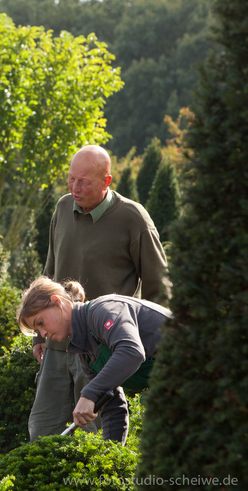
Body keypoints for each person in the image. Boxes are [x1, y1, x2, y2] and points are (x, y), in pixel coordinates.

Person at [29, 144, 171, 440]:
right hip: (57, 345)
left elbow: (159, 287)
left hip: (102, 348)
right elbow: (49, 273)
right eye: (71, 179)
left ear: (107, 181)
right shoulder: (62, 208)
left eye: (84, 182)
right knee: (42, 430)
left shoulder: (133, 217)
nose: (75, 188)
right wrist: (37, 335)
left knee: (92, 434)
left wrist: (151, 354)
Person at [18, 277, 171, 443]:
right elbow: (113, 408)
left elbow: (131, 351)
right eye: (37, 330)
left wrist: (89, 394)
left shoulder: (103, 310)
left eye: (40, 322)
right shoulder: (84, 352)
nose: (43, 334)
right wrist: (110, 458)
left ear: (57, 302)